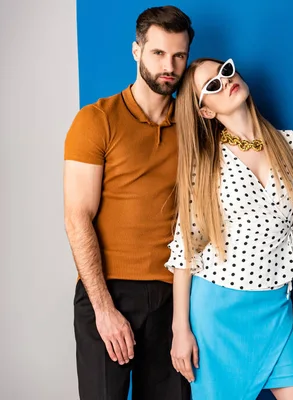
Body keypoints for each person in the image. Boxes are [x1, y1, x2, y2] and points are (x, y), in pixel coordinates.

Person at [166, 57, 293, 400]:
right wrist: (180, 328)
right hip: (218, 317)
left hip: (276, 312)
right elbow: (185, 248)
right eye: (212, 86)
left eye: (226, 71)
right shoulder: (205, 162)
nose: (225, 82)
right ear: (205, 111)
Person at [63, 6, 194, 399]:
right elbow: (77, 217)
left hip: (174, 295)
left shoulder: (193, 127)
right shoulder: (96, 119)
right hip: (108, 290)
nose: (169, 65)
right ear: (136, 51)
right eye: (158, 53)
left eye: (179, 56)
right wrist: (104, 308)